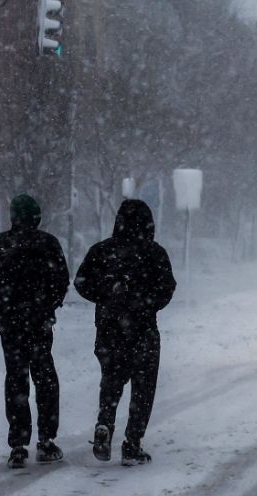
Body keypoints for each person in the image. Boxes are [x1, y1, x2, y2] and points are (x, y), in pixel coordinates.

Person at [74, 199, 176, 466]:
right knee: (143, 388)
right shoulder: (154, 253)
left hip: (108, 329)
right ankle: (132, 444)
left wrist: (107, 296)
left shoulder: (102, 251)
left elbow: (81, 282)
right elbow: (167, 288)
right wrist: (144, 303)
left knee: (111, 380)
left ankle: (105, 422)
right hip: (144, 329)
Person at [0, 194, 70, 468]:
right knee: (45, 377)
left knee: (16, 378)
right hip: (39, 322)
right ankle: (47, 440)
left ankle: (18, 443)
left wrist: (3, 307)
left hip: (11, 324)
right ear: (37, 216)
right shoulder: (48, 244)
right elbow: (61, 280)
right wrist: (47, 307)